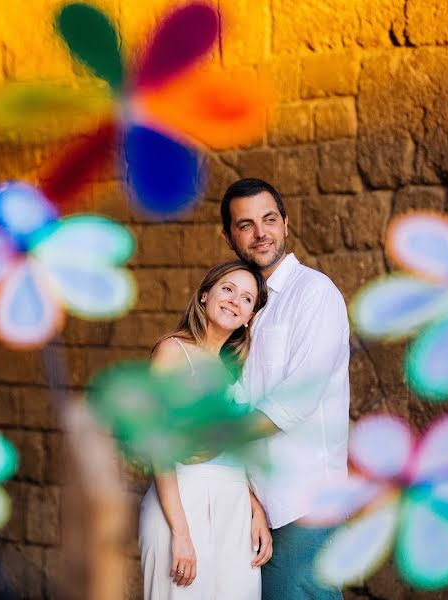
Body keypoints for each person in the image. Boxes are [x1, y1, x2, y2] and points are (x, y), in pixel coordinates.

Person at [220, 179, 350, 600]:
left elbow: (294, 402)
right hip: (257, 502)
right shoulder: (239, 308)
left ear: (286, 224)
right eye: (246, 224)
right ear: (228, 236)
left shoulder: (315, 294)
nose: (260, 233)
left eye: (269, 219)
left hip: (304, 501)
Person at [138, 260, 272, 600]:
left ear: (249, 316)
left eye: (246, 299)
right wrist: (180, 532)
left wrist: (254, 507)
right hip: (181, 501)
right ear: (204, 295)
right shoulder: (172, 351)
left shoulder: (236, 369)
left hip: (235, 508)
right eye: (227, 289)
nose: (234, 301)